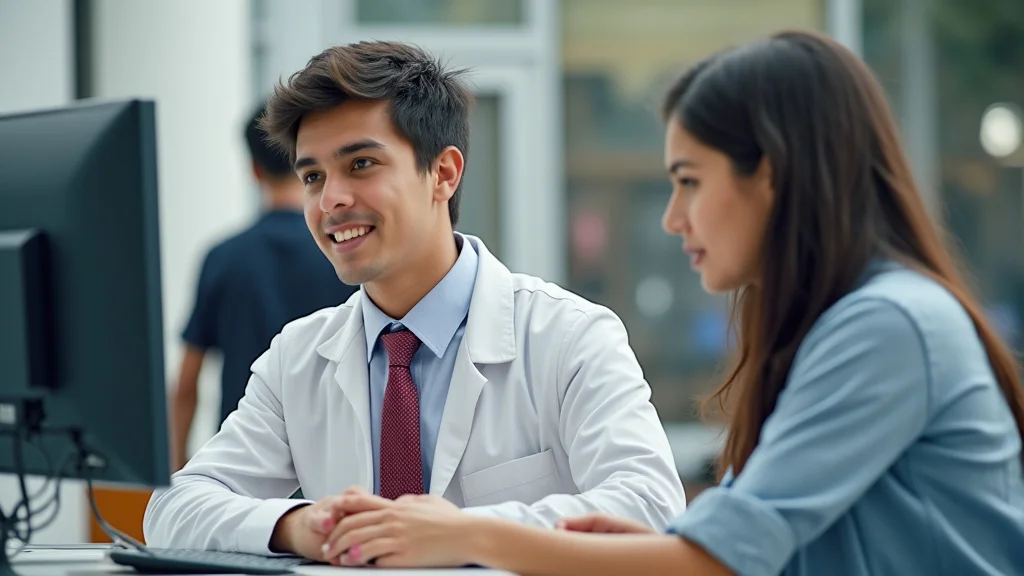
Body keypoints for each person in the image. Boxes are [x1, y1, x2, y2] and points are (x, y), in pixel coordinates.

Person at [312, 30, 1024, 575]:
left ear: (769, 175)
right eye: (312, 174)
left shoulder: (889, 325)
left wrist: (467, 532)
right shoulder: (839, 328)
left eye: (688, 181)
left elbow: (721, 559)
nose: (672, 218)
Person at [143, 40, 686, 559]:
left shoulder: (569, 336)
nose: (330, 199)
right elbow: (173, 508)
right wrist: (296, 524)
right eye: (312, 175)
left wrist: (464, 534)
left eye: (360, 164)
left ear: (444, 174)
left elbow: (650, 506)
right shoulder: (298, 356)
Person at [169, 105, 357, 472]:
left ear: (254, 170)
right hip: (335, 462)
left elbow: (187, 382)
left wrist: (179, 471)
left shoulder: (224, 256)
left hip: (245, 464)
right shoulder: (348, 252)